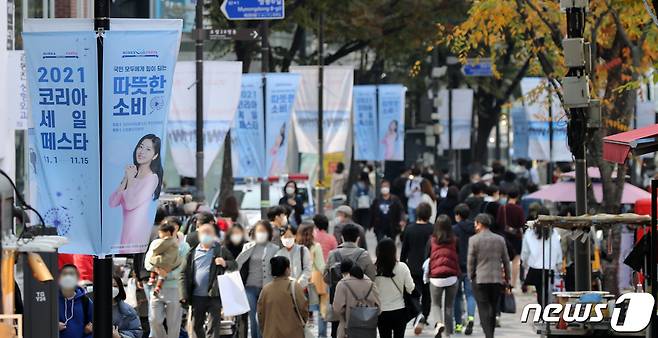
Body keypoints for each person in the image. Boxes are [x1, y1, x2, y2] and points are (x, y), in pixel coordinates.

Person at [180, 222, 237, 338]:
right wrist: (183, 294)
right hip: (196, 296)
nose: (206, 235)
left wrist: (225, 263)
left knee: (213, 327)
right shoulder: (192, 252)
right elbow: (183, 273)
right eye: (203, 233)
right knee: (196, 326)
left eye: (208, 232)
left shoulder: (220, 250)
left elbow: (235, 265)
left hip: (214, 295)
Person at [110, 134, 164, 251]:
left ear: (155, 156)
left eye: (148, 149)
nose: (142, 151)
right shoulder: (131, 174)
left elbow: (130, 204)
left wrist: (129, 179)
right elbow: (113, 202)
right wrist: (126, 178)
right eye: (141, 147)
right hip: (124, 232)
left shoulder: (152, 178)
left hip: (137, 233)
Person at [324, 223, 377, 338]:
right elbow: (371, 278)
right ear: (358, 238)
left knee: (336, 332)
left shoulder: (333, 254)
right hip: (359, 308)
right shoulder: (364, 255)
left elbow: (326, 278)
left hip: (337, 303)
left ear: (342, 237)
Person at [145, 216, 190, 338]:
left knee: (173, 324)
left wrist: (168, 275)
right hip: (156, 288)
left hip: (175, 288)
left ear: (177, 229)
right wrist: (156, 269)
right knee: (154, 320)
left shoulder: (183, 246)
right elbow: (147, 262)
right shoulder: (155, 243)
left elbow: (183, 268)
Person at [467, 214, 511, 338]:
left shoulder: (474, 240)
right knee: (492, 306)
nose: (475, 225)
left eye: (476, 223)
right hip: (496, 279)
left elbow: (470, 261)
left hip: (480, 278)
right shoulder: (499, 239)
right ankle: (490, 333)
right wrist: (507, 278)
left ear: (480, 224)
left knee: (483, 308)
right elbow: (506, 260)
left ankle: (489, 334)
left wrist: (471, 275)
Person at [236, 220, 281, 338]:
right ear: (254, 232)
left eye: (264, 231)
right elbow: (238, 264)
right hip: (249, 287)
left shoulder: (274, 248)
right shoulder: (248, 246)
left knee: (261, 317)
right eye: (259, 231)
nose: (261, 233)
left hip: (267, 288)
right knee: (253, 317)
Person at [400, 202, 434, 333]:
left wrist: (402, 263)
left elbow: (404, 250)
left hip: (412, 267)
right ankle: (423, 315)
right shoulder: (433, 229)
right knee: (427, 294)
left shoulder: (409, 228)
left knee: (413, 294)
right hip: (429, 266)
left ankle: (418, 313)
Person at [257, 256, 309, 338]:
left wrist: (266, 330)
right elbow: (303, 309)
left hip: (271, 334)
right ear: (287, 269)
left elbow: (260, 314)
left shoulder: (265, 290)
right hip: (293, 332)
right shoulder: (294, 286)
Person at [428, 215, 461, 338]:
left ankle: (439, 324)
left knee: (436, 304)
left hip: (436, 278)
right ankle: (448, 334)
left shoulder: (431, 240)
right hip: (452, 277)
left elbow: (427, 256)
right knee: (449, 306)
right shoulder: (455, 240)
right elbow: (458, 255)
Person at [374, 238, 415, 338]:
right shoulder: (402, 267)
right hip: (399, 310)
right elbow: (410, 288)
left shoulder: (374, 269)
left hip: (381, 311)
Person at [521, 209, 562, 307]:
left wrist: (524, 262)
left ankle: (542, 307)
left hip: (535, 266)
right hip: (549, 266)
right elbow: (557, 249)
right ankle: (545, 308)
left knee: (540, 290)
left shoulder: (530, 232)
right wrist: (558, 263)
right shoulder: (553, 233)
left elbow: (525, 251)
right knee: (546, 290)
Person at [332, 260, 381, 338]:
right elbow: (379, 308)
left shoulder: (342, 284)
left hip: (348, 328)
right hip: (368, 328)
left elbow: (337, 309)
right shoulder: (371, 284)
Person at [297, 222, 328, 338]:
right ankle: (322, 335)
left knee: (300, 311)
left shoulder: (296, 247)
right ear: (310, 233)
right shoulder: (316, 246)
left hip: (300, 282)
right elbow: (320, 265)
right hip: (316, 281)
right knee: (321, 310)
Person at [451, 204, 476, 335]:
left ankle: (459, 325)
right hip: (471, 266)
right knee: (470, 294)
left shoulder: (454, 229)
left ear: (458, 215)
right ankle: (471, 318)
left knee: (457, 296)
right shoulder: (474, 228)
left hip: (456, 267)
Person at [496, 187, 526, 288]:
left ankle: (504, 280)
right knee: (516, 260)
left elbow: (499, 222)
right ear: (517, 196)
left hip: (504, 236)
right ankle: (513, 283)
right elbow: (522, 223)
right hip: (516, 237)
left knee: (503, 258)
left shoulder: (502, 208)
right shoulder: (519, 209)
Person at [146, 222, 181, 296]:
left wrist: (154, 256)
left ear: (167, 232)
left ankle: (152, 279)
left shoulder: (164, 241)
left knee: (155, 264)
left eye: (160, 232)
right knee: (161, 275)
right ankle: (157, 287)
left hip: (163, 262)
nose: (159, 234)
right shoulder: (175, 242)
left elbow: (158, 249)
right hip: (169, 264)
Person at [58, 264, 93, 338]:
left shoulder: (85, 301)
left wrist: (87, 332)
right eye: (65, 274)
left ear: (77, 278)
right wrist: (52, 327)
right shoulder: (52, 300)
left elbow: (92, 329)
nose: (68, 278)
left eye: (71, 274)